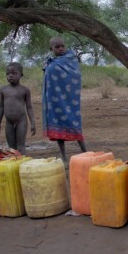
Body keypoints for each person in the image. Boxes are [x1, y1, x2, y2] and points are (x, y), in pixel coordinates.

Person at [42, 37, 86, 165]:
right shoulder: (50, 62)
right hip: (55, 100)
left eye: (62, 46)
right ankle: (64, 158)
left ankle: (86, 153)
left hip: (70, 100)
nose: (61, 49)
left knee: (75, 125)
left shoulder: (71, 59)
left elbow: (76, 75)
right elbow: (47, 79)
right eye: (57, 47)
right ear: (51, 48)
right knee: (58, 129)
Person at [0, 62, 36, 155]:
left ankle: (22, 162)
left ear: (21, 75)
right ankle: (14, 163)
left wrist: (32, 123)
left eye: (14, 73)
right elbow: (1, 107)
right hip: (9, 122)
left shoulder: (24, 90)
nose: (10, 76)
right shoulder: (3, 90)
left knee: (21, 146)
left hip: (21, 121)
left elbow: (29, 107)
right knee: (11, 148)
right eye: (8, 74)